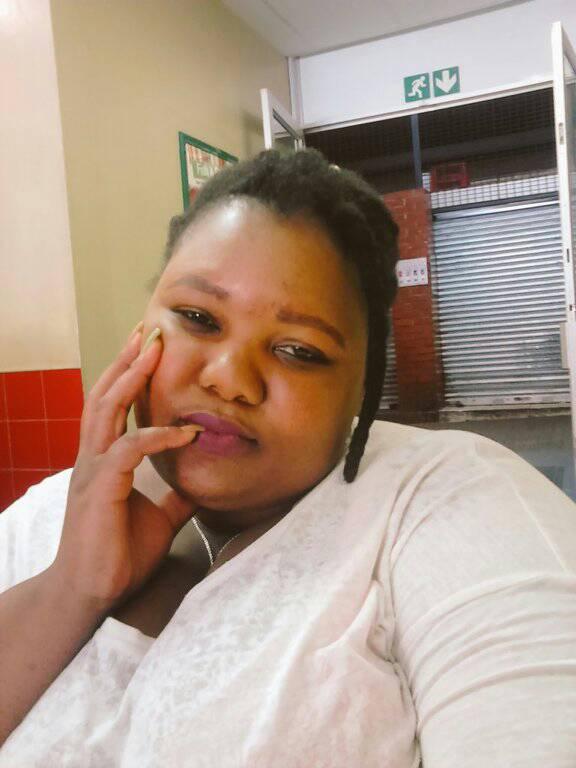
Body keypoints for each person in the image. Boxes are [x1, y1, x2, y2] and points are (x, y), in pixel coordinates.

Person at [0, 149, 575, 767]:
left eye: (299, 350)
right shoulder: (47, 514)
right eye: (198, 317)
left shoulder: (450, 500)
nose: (229, 379)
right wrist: (72, 586)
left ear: (362, 384)